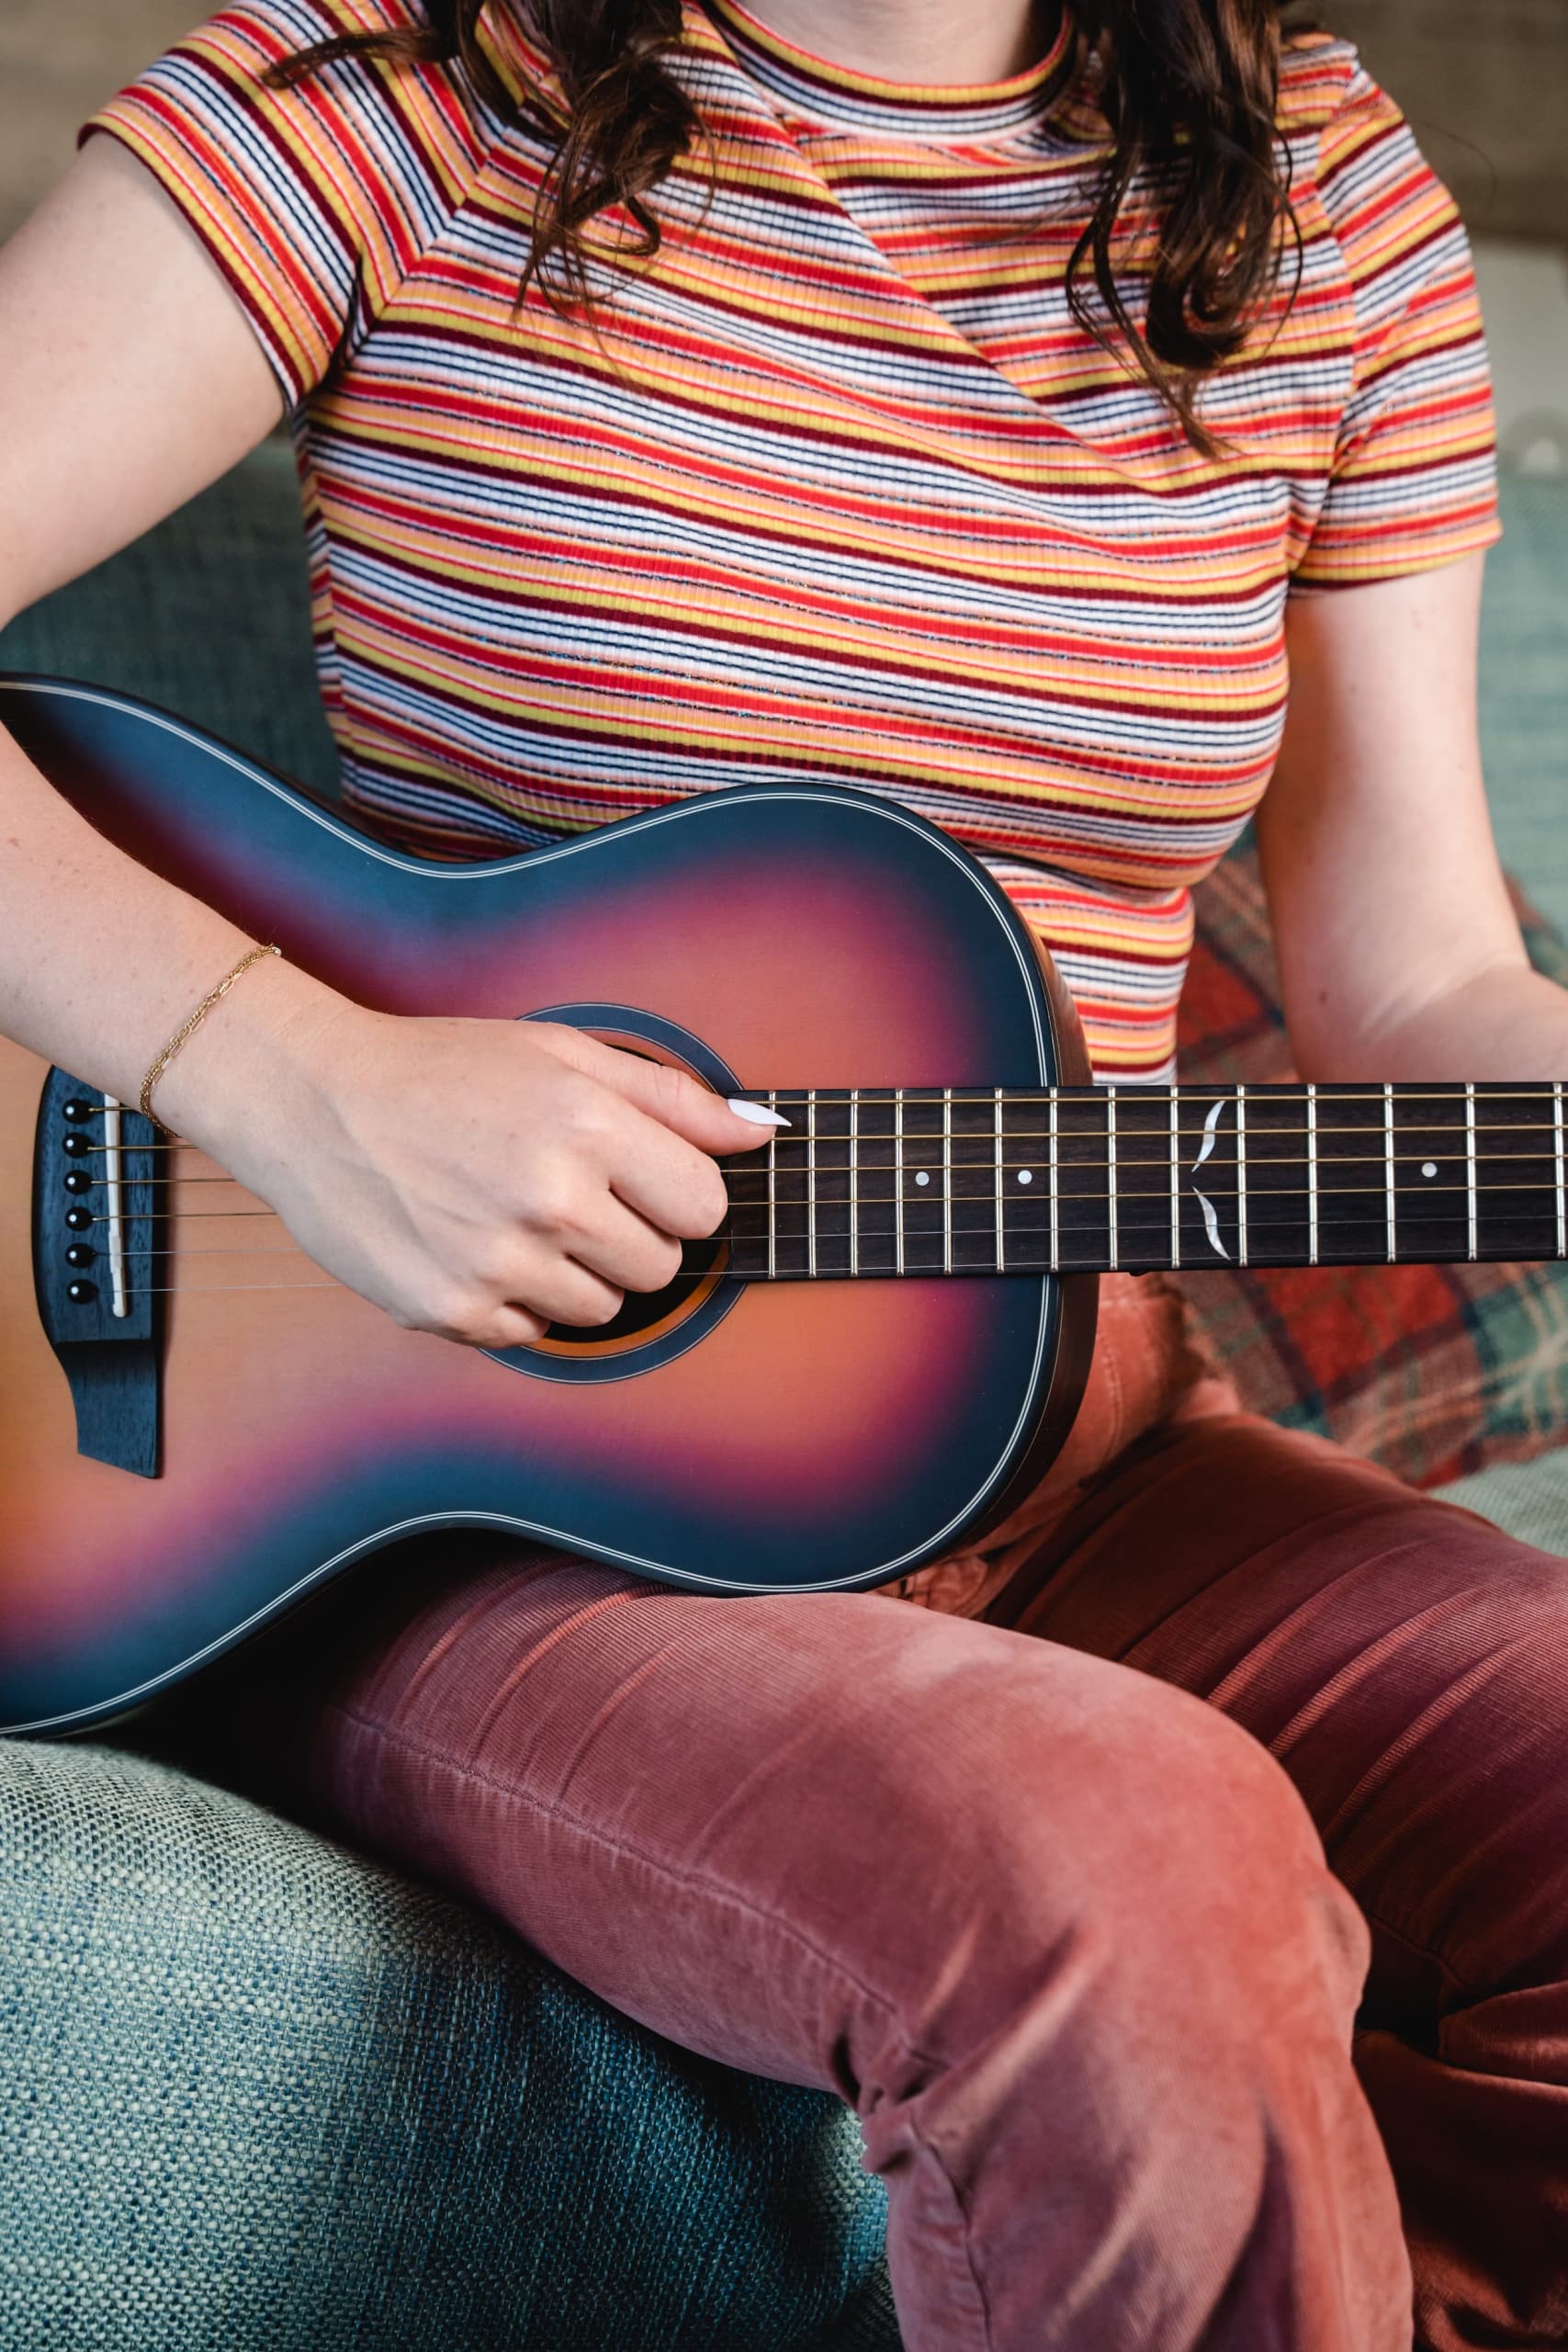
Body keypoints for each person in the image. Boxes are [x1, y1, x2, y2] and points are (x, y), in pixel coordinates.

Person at [1, 0, 1564, 2341]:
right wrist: (286, 1068)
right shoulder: (400, 100)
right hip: (471, 1470)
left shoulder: (1315, 189)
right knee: (1118, 1851)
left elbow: (1416, 977)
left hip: (1076, 1428)